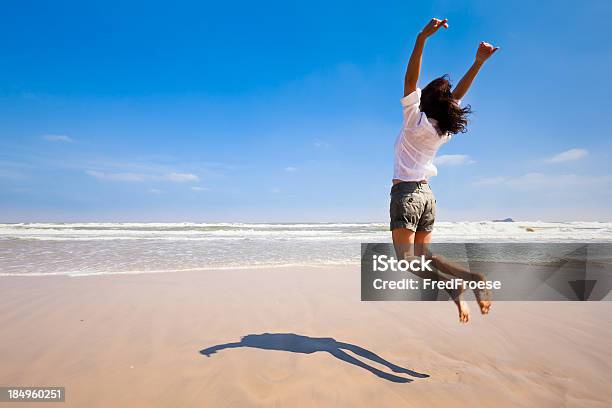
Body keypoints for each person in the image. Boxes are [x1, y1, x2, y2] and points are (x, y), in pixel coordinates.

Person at [390, 18, 498, 323]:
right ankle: (474, 277)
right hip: (427, 196)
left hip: (407, 193)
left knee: (408, 262)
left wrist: (421, 37)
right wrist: (478, 63)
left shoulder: (415, 121)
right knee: (425, 257)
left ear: (424, 100)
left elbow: (410, 80)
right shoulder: (442, 129)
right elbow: (457, 96)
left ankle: (453, 286)